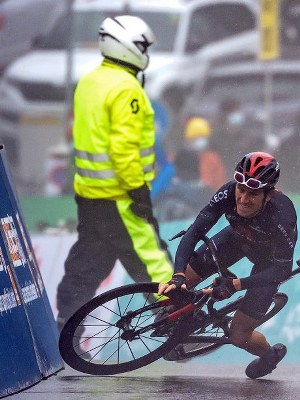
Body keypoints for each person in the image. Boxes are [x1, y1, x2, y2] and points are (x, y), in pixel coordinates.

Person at [55, 16, 174, 331]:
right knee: (152, 258)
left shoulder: (89, 82)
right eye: (142, 46)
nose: (145, 52)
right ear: (128, 46)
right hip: (122, 195)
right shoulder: (126, 88)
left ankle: (67, 325)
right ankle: (176, 324)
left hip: (90, 195)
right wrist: (139, 192)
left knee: (88, 262)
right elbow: (123, 150)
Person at [158, 152, 295, 379]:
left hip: (268, 262)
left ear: (268, 195)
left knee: (238, 336)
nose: (243, 199)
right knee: (182, 283)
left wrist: (236, 284)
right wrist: (178, 276)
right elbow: (194, 232)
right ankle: (190, 319)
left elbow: (282, 270)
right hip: (237, 239)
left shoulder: (282, 215)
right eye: (241, 189)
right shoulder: (227, 192)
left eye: (253, 193)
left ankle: (270, 355)